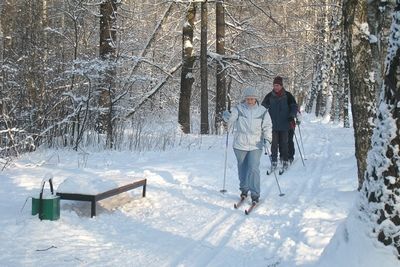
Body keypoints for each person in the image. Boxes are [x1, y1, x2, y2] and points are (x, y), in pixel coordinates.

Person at [223, 87, 272, 203]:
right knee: (242, 167)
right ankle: (244, 190)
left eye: (252, 99)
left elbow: (267, 127)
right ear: (245, 99)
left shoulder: (263, 111)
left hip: (256, 144)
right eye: (248, 99)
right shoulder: (239, 109)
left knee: (253, 168)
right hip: (240, 144)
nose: (250, 101)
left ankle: (255, 193)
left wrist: (268, 139)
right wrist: (227, 119)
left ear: (256, 99)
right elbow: (230, 121)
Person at [261, 76, 297, 171]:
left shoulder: (288, 96)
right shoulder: (269, 96)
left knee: (284, 143)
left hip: (285, 124)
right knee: (274, 144)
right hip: (273, 125)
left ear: (281, 86)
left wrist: (291, 115)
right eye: (274, 85)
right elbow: (262, 108)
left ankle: (285, 160)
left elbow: (294, 106)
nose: (276, 87)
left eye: (277, 85)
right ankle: (274, 161)